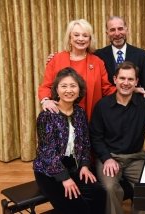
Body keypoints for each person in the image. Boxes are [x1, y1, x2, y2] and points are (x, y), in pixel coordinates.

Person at [89, 61, 145, 214]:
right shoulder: (102, 106)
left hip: (136, 157)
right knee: (111, 188)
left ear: (136, 82)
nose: (126, 83)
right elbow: (95, 137)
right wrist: (107, 158)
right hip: (110, 157)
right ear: (115, 79)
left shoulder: (144, 103)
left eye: (130, 79)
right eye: (122, 78)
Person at [33, 67, 106, 214]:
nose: (69, 90)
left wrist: (85, 165)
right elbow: (48, 153)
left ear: (79, 90)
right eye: (64, 86)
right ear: (56, 90)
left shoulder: (80, 113)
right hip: (49, 171)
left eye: (73, 86)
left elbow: (85, 143)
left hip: (74, 166)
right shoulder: (47, 115)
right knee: (78, 207)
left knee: (99, 194)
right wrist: (64, 178)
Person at [38, 18, 116, 120]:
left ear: (90, 39)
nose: (81, 39)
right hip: (60, 119)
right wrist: (46, 101)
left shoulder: (97, 62)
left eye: (85, 35)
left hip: (90, 119)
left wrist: (130, 89)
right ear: (70, 37)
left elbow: (107, 89)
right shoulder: (56, 59)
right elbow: (46, 86)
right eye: (76, 35)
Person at [94, 16, 145, 97]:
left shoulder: (142, 55)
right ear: (107, 33)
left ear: (126, 30)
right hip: (107, 107)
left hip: (135, 107)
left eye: (120, 29)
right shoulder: (98, 55)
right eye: (112, 30)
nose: (117, 33)